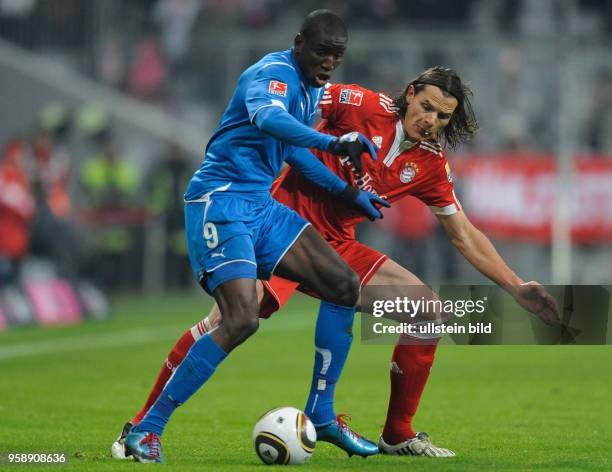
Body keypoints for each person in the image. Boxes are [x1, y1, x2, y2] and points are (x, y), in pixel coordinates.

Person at [114, 66, 560, 461]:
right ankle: (139, 426)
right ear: (410, 93)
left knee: (426, 312)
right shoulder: (361, 104)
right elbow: (293, 101)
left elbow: (464, 234)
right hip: (277, 228)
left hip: (337, 247)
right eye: (426, 107)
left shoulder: (429, 163)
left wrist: (515, 286)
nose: (432, 121)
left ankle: (397, 434)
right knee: (229, 321)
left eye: (443, 116)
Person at [121, 10, 390, 463]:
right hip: (220, 201)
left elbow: (291, 152)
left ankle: (321, 416)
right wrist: (333, 144)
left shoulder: (311, 90)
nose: (329, 63)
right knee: (242, 317)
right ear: (299, 42)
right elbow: (268, 121)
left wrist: (347, 192)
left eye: (337, 56)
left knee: (344, 286)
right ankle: (148, 428)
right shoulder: (273, 73)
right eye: (322, 52)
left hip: (261, 207)